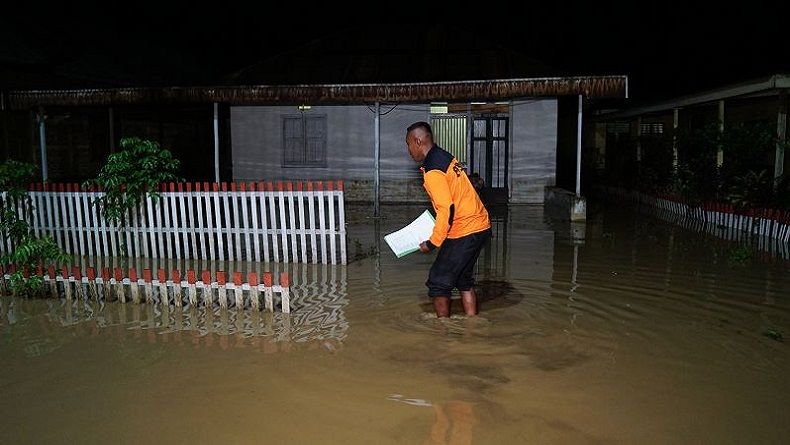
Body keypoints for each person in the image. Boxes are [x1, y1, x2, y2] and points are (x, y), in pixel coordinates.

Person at [405, 121, 491, 317]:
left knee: (438, 283)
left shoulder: (433, 169)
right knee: (463, 280)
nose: (408, 150)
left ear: (418, 141)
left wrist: (432, 242)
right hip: (480, 225)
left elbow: (446, 209)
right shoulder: (443, 156)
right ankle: (472, 324)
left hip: (465, 229)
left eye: (408, 144)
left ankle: (442, 333)